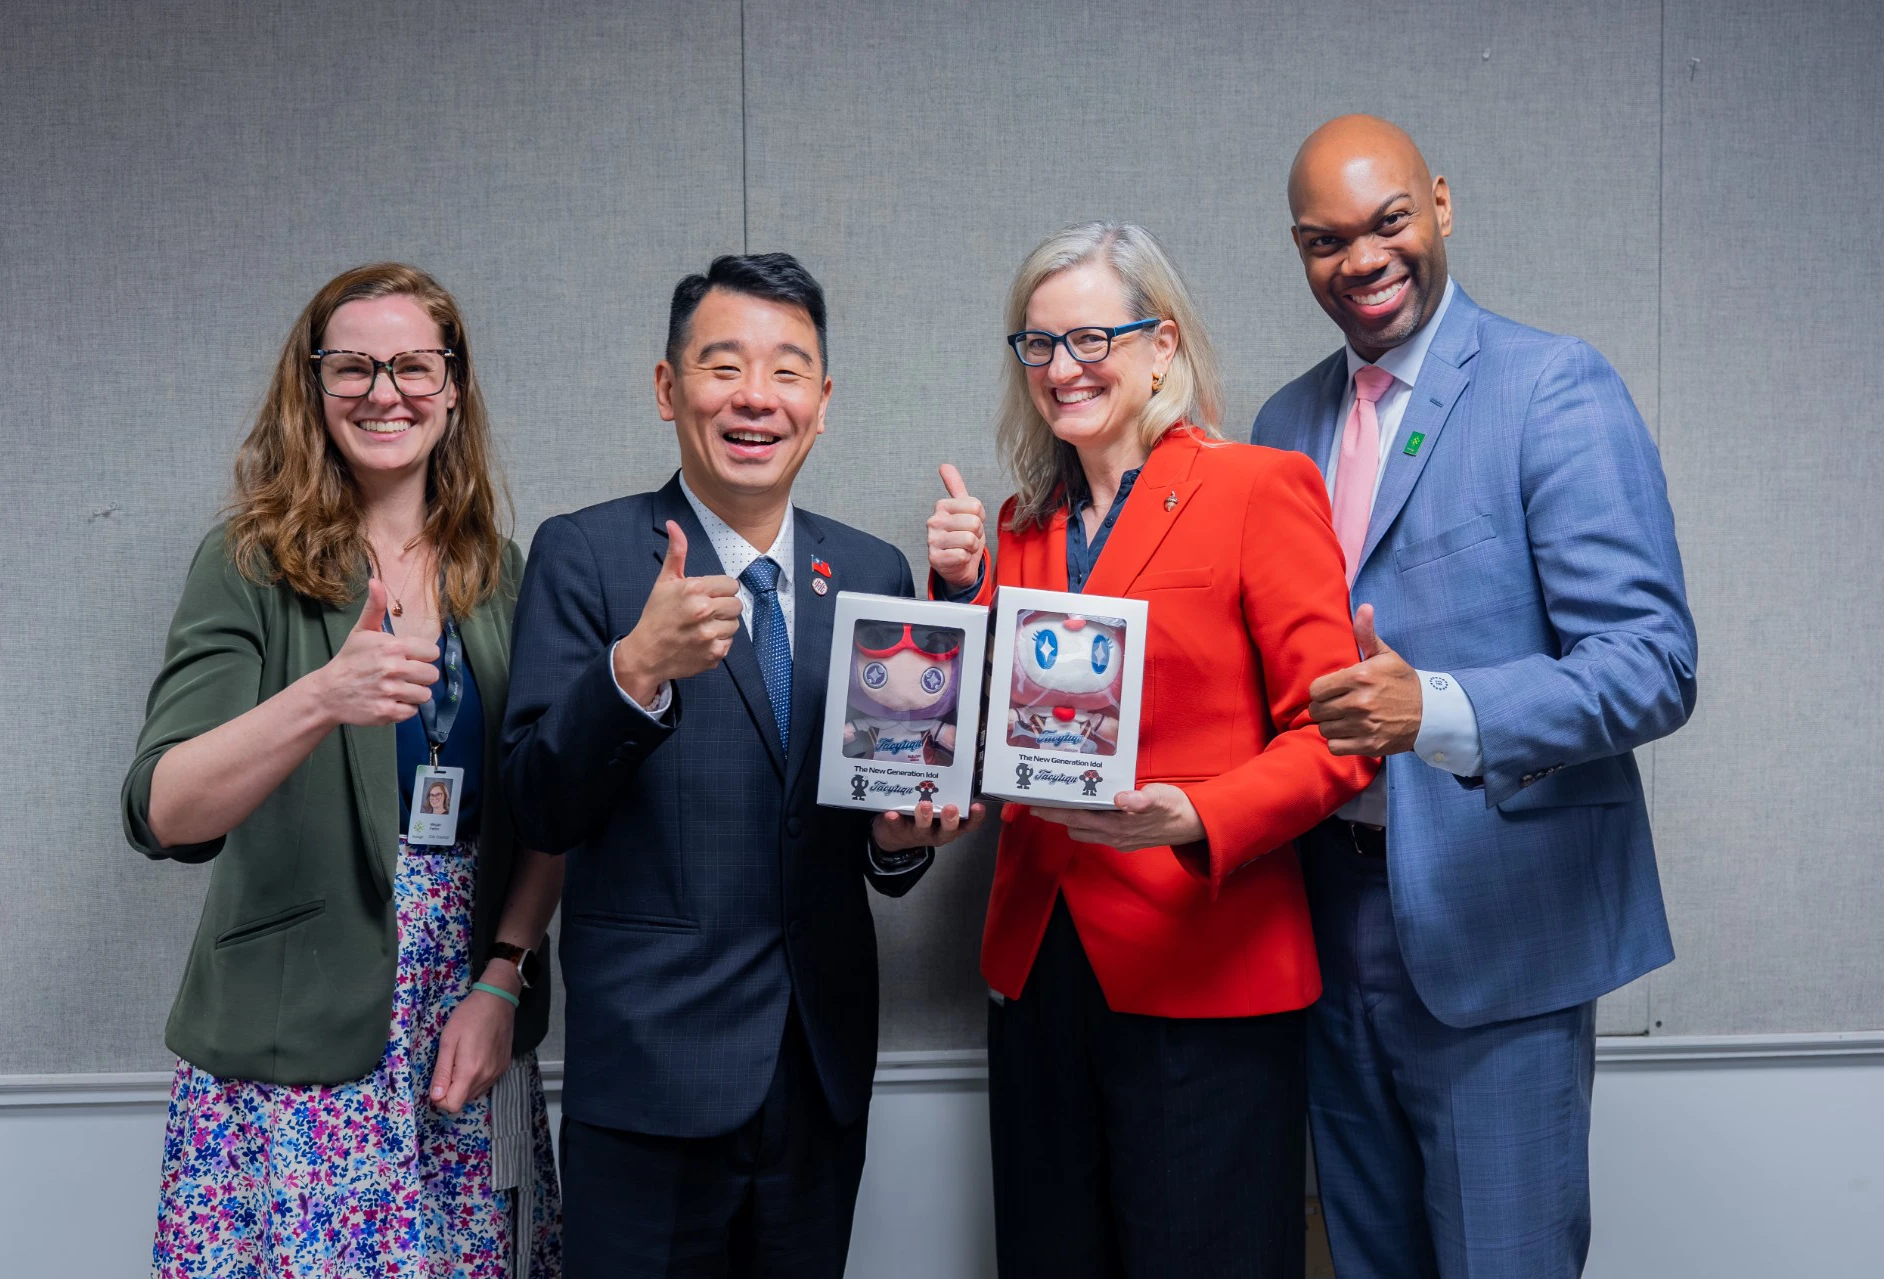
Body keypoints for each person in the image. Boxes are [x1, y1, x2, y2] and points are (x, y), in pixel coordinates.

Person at [1256, 116, 1698, 1278]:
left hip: (1497, 933)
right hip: (1321, 927)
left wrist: (1437, 710)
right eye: (1323, 238)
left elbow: (1654, 661)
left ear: (1440, 205)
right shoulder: (1282, 427)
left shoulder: (1552, 385)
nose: (1360, 258)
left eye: (1387, 221)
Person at [502, 252, 973, 1279]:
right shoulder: (587, 555)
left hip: (818, 1065)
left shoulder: (868, 571)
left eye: (788, 370)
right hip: (653, 1077)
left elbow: (866, 822)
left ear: (823, 401)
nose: (756, 396)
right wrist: (633, 671)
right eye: (724, 366)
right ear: (669, 388)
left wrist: (899, 841)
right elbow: (537, 801)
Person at [927, 221, 1377, 1277]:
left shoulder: (1258, 489)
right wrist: (956, 595)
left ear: (1162, 344)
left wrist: (1201, 815)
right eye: (1036, 346)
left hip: (1203, 971)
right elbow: (1000, 726)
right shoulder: (1023, 521)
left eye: (1091, 338)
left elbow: (1342, 736)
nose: (1062, 368)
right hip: (1041, 972)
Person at [122, 262, 563, 1278]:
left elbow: (549, 803)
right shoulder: (248, 562)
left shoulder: (501, 571)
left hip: (464, 1013)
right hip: (300, 1026)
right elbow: (165, 809)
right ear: (312, 389)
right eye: (352, 366)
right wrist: (322, 693)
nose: (384, 391)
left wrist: (503, 975)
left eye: (413, 365)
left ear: (453, 387)